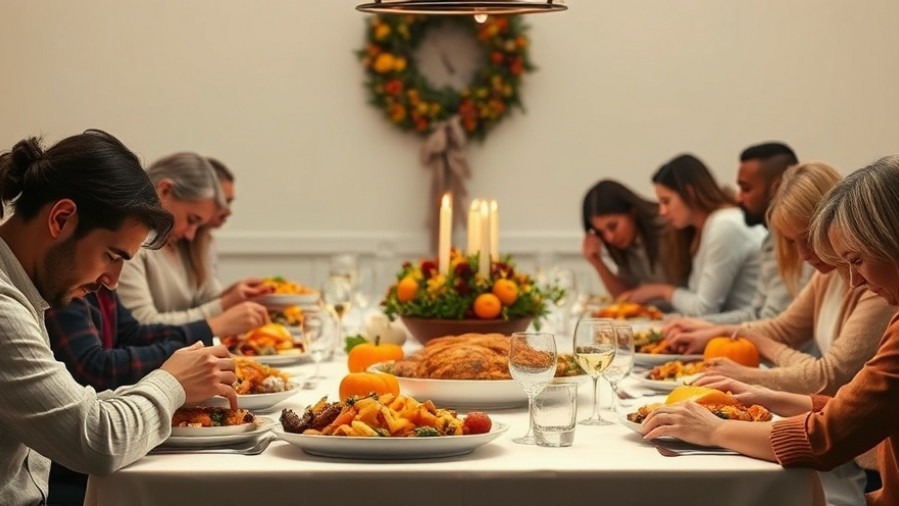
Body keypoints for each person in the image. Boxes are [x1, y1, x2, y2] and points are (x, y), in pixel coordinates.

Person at [640, 155, 899, 506]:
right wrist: (762, 394)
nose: (854, 280)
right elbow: (856, 405)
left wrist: (715, 429)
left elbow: (828, 432)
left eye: (856, 259)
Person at [0, 130, 238, 506]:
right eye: (113, 255)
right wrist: (172, 383)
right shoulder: (5, 308)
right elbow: (96, 440)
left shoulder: (26, 289)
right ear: (61, 219)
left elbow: (83, 406)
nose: (112, 281)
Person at [45, 286, 216, 504]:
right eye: (113, 256)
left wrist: (190, 355)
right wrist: (175, 377)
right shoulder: (63, 289)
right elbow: (93, 367)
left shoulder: (99, 282)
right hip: (66, 478)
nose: (113, 282)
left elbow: (132, 333)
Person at [115, 152, 269, 335]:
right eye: (191, 219)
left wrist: (231, 295)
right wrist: (222, 307)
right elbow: (142, 324)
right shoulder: (131, 245)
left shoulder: (186, 244)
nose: (191, 234)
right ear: (165, 190)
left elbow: (205, 299)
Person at [619, 154, 765, 316]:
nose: (662, 211)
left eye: (666, 201)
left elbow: (704, 310)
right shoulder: (704, 228)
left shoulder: (724, 225)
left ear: (689, 192)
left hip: (747, 332)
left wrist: (663, 291)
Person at [580, 179, 690, 301]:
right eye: (600, 232)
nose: (609, 238)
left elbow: (697, 297)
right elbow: (625, 298)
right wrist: (597, 262)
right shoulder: (626, 244)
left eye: (613, 226)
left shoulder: (670, 226)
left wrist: (658, 290)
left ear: (632, 212)